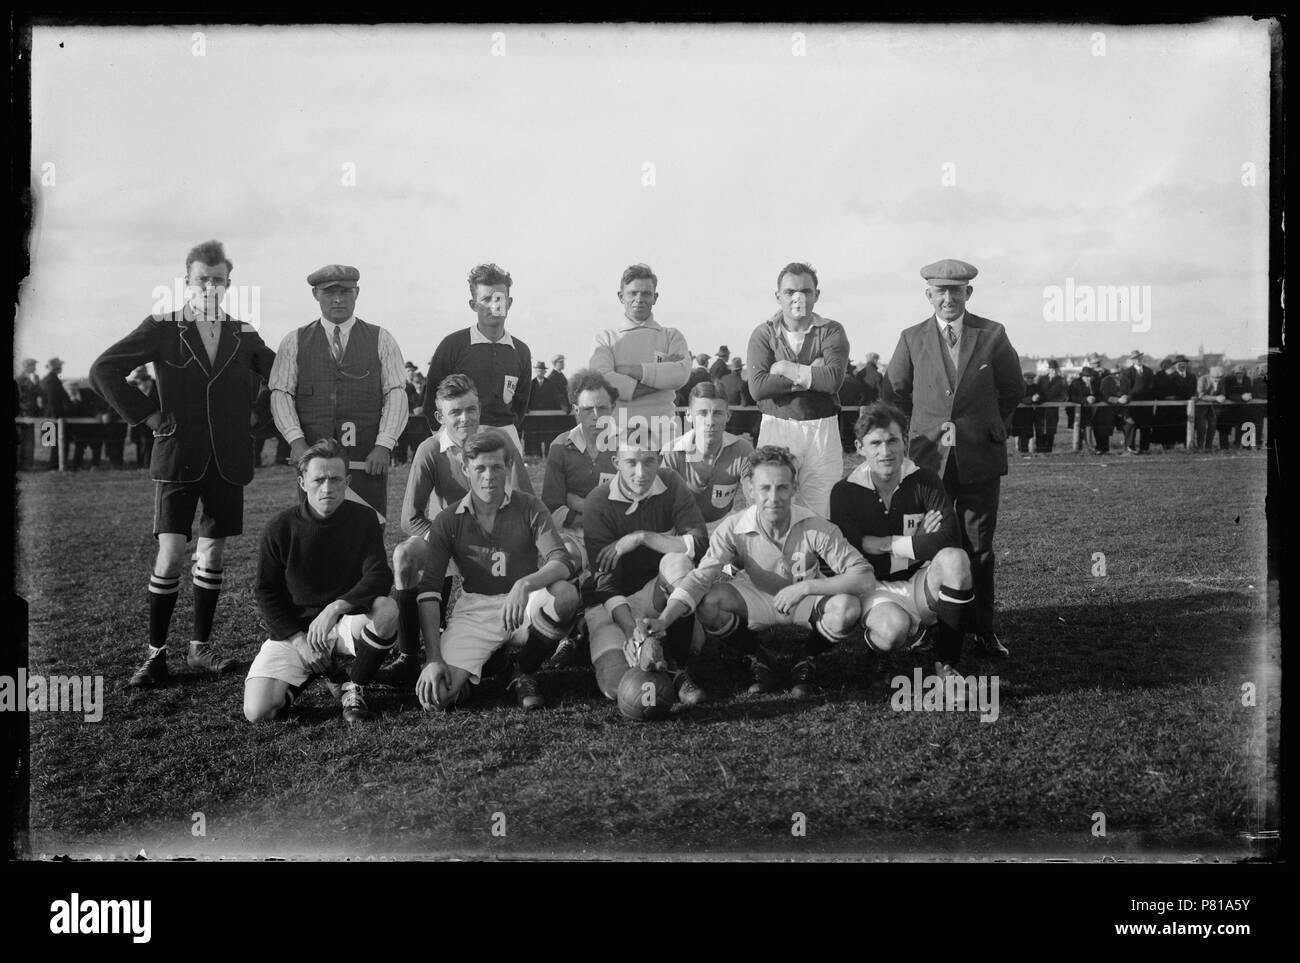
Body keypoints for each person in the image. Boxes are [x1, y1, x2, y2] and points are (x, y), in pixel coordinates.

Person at [89, 239, 277, 686]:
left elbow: (283, 376)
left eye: (218, 280)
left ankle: (200, 650)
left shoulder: (242, 332)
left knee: (212, 553)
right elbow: (103, 369)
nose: (210, 287)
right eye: (201, 280)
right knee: (172, 552)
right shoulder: (162, 325)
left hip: (227, 461)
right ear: (187, 282)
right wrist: (149, 415)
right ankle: (155, 655)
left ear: (229, 283)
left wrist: (259, 417)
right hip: (177, 456)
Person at [636, 445, 874, 704]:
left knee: (848, 607)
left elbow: (864, 576)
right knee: (709, 603)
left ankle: (805, 658)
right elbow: (700, 578)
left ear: (794, 488)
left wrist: (806, 588)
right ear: (750, 490)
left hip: (803, 596)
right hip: (756, 595)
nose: (774, 497)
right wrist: (663, 620)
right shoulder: (733, 527)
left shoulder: (816, 526)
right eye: (765, 488)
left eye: (782, 487)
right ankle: (757, 656)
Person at [882, 258, 1021, 657]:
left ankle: (982, 629)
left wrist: (987, 428)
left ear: (968, 294)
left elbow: (1013, 389)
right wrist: (920, 432)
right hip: (929, 462)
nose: (948, 298)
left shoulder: (993, 334)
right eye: (940, 291)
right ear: (928, 296)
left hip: (979, 460)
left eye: (955, 291)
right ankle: (930, 625)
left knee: (979, 547)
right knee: (929, 543)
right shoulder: (911, 338)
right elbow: (895, 392)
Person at [380, 375, 535, 685]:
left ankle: (502, 650)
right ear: (440, 417)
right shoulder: (429, 449)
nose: (466, 418)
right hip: (447, 539)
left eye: (471, 409)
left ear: (479, 408)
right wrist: (445, 542)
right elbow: (409, 518)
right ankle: (409, 656)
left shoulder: (501, 442)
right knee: (404, 554)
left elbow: (527, 504)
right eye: (455, 412)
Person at [412, 430, 581, 711]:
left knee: (565, 597)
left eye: (497, 467)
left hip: (524, 604)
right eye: (480, 468)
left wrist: (525, 584)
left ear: (509, 468)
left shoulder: (528, 505)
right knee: (436, 698)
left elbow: (561, 560)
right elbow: (429, 590)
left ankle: (522, 670)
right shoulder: (447, 520)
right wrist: (433, 658)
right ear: (466, 469)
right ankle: (489, 665)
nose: (489, 476)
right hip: (476, 608)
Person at [243, 439, 397, 723]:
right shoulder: (279, 528)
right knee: (258, 711)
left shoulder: (364, 519)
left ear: (347, 481)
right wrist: (300, 641)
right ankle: (324, 671)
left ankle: (354, 687)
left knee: (387, 610)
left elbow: (379, 575)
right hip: (298, 633)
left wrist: (335, 608)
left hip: (343, 622)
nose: (327, 488)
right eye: (319, 480)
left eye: (336, 479)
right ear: (302, 482)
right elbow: (266, 592)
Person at [829, 404, 972, 687]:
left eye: (893, 440)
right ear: (860, 447)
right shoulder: (844, 491)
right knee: (894, 631)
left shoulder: (925, 481)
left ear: (904, 441)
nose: (886, 451)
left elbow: (948, 539)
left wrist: (888, 544)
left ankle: (947, 664)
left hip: (920, 582)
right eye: (876, 443)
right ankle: (875, 647)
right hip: (875, 587)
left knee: (955, 559)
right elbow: (853, 550)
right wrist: (919, 541)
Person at [269, 263, 409, 522]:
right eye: (328, 292)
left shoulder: (382, 338)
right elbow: (281, 393)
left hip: (366, 457)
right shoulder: (294, 341)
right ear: (315, 295)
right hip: (314, 456)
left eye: (345, 292)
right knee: (316, 528)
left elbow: (396, 393)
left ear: (357, 292)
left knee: (368, 527)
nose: (337, 299)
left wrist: (384, 444)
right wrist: (296, 441)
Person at [582, 430, 707, 702]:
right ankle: (644, 649)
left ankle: (678, 668)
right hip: (611, 605)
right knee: (617, 688)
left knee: (678, 562)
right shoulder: (598, 501)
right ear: (616, 462)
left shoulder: (671, 482)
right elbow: (605, 583)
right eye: (631, 462)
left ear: (660, 459)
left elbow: (699, 543)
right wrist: (630, 632)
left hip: (656, 596)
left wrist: (642, 537)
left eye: (649, 461)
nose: (641, 472)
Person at [745, 261, 850, 517]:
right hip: (776, 424)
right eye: (790, 292)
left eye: (805, 291)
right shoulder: (764, 333)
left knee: (822, 509)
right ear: (778, 296)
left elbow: (833, 380)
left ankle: (815, 558)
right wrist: (810, 372)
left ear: (816, 295)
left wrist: (784, 368)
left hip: (821, 428)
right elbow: (758, 387)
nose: (798, 297)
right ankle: (769, 558)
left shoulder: (831, 330)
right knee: (771, 506)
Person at [425, 263, 534, 454]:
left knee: (513, 484)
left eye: (499, 299)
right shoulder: (452, 345)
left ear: (509, 303)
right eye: (486, 299)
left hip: (504, 437)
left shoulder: (521, 351)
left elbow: (520, 404)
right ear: (473, 305)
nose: (494, 306)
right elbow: (431, 399)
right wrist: (446, 436)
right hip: (459, 437)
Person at [589, 263, 691, 446]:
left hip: (664, 435)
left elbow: (681, 374)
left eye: (646, 293)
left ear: (655, 297)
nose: (639, 299)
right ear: (621, 296)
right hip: (618, 435)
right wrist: (660, 380)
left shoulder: (671, 336)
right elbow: (603, 383)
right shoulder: (605, 339)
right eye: (633, 293)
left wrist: (629, 370)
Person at [662, 381, 754, 529]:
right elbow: (662, 509)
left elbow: (754, 500)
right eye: (702, 413)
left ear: (728, 415)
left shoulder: (742, 450)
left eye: (717, 413)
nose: (710, 422)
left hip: (724, 526)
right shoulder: (671, 452)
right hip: (680, 529)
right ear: (688, 415)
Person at [1118, 350, 1156, 454]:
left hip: (1146, 404)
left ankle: (1144, 448)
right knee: (1132, 425)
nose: (1138, 360)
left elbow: (1152, 387)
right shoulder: (1127, 372)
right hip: (1132, 404)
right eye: (1135, 358)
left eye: (1140, 358)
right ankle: (1130, 447)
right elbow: (1125, 389)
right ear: (1132, 361)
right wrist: (1129, 397)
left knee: (1146, 426)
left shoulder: (1149, 371)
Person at [40, 357, 71, 470]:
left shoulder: (48, 379)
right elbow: (52, 400)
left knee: (55, 442)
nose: (61, 368)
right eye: (60, 366)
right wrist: (58, 417)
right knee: (58, 442)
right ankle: (55, 466)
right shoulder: (52, 380)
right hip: (54, 416)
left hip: (50, 416)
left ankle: (56, 465)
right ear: (57, 367)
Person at [1033, 359, 1068, 453]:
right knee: (1039, 428)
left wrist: (1055, 400)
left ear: (1057, 370)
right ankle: (1039, 449)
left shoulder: (1061, 381)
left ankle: (1048, 450)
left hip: (1052, 409)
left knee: (1050, 429)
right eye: (1051, 369)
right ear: (1048, 369)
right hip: (1041, 409)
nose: (1053, 371)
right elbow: (1038, 391)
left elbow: (1063, 395)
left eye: (1055, 369)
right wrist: (1038, 398)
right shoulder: (1041, 379)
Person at [128, 367, 159, 468]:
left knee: (150, 444)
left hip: (153, 421)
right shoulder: (133, 386)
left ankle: (148, 465)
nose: (139, 385)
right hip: (140, 423)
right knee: (139, 443)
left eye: (140, 382)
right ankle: (140, 464)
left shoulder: (157, 386)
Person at [16, 358, 41, 469]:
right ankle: (21, 464)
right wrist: (24, 410)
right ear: (26, 366)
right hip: (22, 414)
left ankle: (28, 464)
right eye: (33, 365)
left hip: (31, 414)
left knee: (30, 440)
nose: (35, 367)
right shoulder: (19, 379)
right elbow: (19, 397)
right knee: (21, 440)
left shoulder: (35, 378)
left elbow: (39, 393)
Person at [1196, 365, 1228, 450]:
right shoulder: (1202, 379)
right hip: (1201, 407)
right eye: (1215, 378)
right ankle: (1200, 447)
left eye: (1220, 377)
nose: (1218, 379)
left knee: (1212, 426)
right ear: (1210, 375)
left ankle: (1208, 447)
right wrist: (1216, 398)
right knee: (1202, 427)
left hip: (1214, 408)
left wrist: (1222, 396)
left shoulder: (1221, 381)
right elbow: (1201, 395)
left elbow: (1223, 392)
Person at [1067, 365, 1095, 452]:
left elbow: (1096, 394)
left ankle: (1089, 448)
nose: (1088, 378)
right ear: (1082, 376)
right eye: (1086, 376)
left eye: (1090, 376)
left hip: (1087, 411)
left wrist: (1094, 398)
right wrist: (1085, 399)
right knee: (1078, 428)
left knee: (1088, 427)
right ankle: (1078, 448)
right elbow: (1073, 397)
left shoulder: (1093, 384)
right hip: (1076, 411)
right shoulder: (1075, 383)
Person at [1013, 372, 1037, 454]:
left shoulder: (1035, 387)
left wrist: (1037, 398)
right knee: (1021, 434)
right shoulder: (1019, 387)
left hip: (1030, 416)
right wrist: (1031, 399)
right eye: (1028, 379)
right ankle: (1022, 451)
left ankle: (1026, 451)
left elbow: (1041, 396)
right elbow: (1020, 398)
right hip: (1020, 416)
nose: (1030, 380)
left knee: (1028, 434)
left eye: (1031, 379)